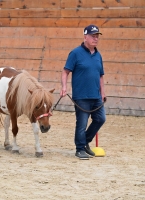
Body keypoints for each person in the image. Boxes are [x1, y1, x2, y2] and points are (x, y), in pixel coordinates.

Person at [60, 25, 106, 160]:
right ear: (85, 37)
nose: (95, 39)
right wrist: (64, 87)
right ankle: (79, 149)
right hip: (81, 96)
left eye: (97, 36)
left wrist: (103, 93)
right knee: (82, 123)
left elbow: (100, 75)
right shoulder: (75, 53)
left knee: (100, 119)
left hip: (96, 96)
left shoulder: (98, 55)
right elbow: (65, 71)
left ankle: (85, 141)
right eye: (93, 36)